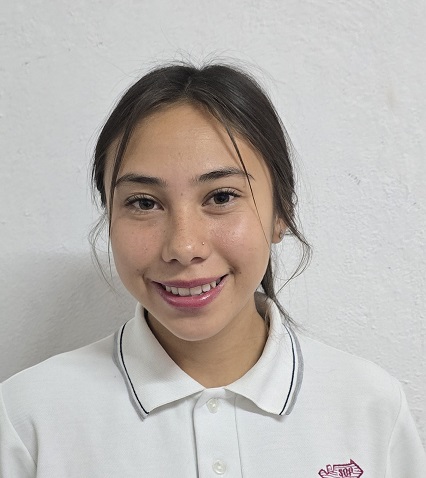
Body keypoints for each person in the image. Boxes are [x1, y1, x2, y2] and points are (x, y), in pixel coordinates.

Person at [0, 62, 425, 477]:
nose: (184, 247)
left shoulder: (371, 407)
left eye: (221, 197)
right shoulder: (26, 419)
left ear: (281, 213)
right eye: (144, 203)